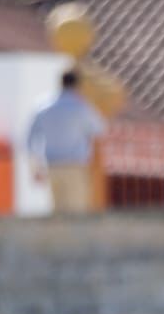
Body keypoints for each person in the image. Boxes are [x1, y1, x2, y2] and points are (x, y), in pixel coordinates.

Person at [25, 69, 107, 214]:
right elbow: (99, 130)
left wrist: (35, 167)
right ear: (78, 85)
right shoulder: (82, 107)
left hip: (52, 166)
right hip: (75, 166)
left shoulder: (43, 106)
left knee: (57, 212)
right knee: (77, 211)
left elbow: (30, 139)